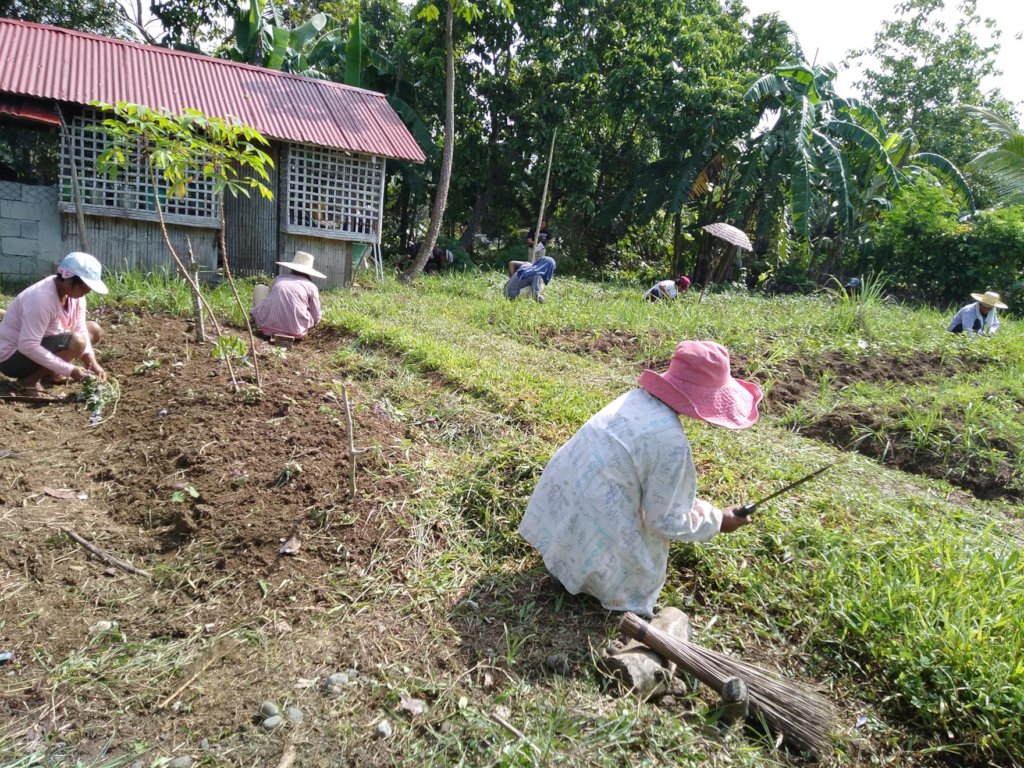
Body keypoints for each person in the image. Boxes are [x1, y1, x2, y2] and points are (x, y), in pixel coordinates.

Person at [518, 340, 762, 616]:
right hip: (595, 540)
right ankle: (600, 583)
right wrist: (717, 521)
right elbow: (667, 521)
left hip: (558, 527)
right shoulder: (670, 442)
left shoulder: (633, 400)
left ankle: (571, 563)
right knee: (643, 562)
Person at [0, 252, 108, 393]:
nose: (87, 291)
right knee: (77, 341)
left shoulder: (76, 296)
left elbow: (80, 327)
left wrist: (92, 363)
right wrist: (69, 369)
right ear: (68, 279)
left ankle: (51, 374)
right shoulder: (41, 299)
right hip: (11, 359)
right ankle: (29, 381)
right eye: (83, 286)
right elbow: (27, 345)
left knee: (93, 329)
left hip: (40, 344)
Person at [252, 251, 324, 341]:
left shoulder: (279, 279)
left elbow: (271, 296)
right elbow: (316, 316)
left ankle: (256, 320)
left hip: (268, 328)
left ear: (292, 268)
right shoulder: (311, 286)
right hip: (297, 332)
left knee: (260, 287)